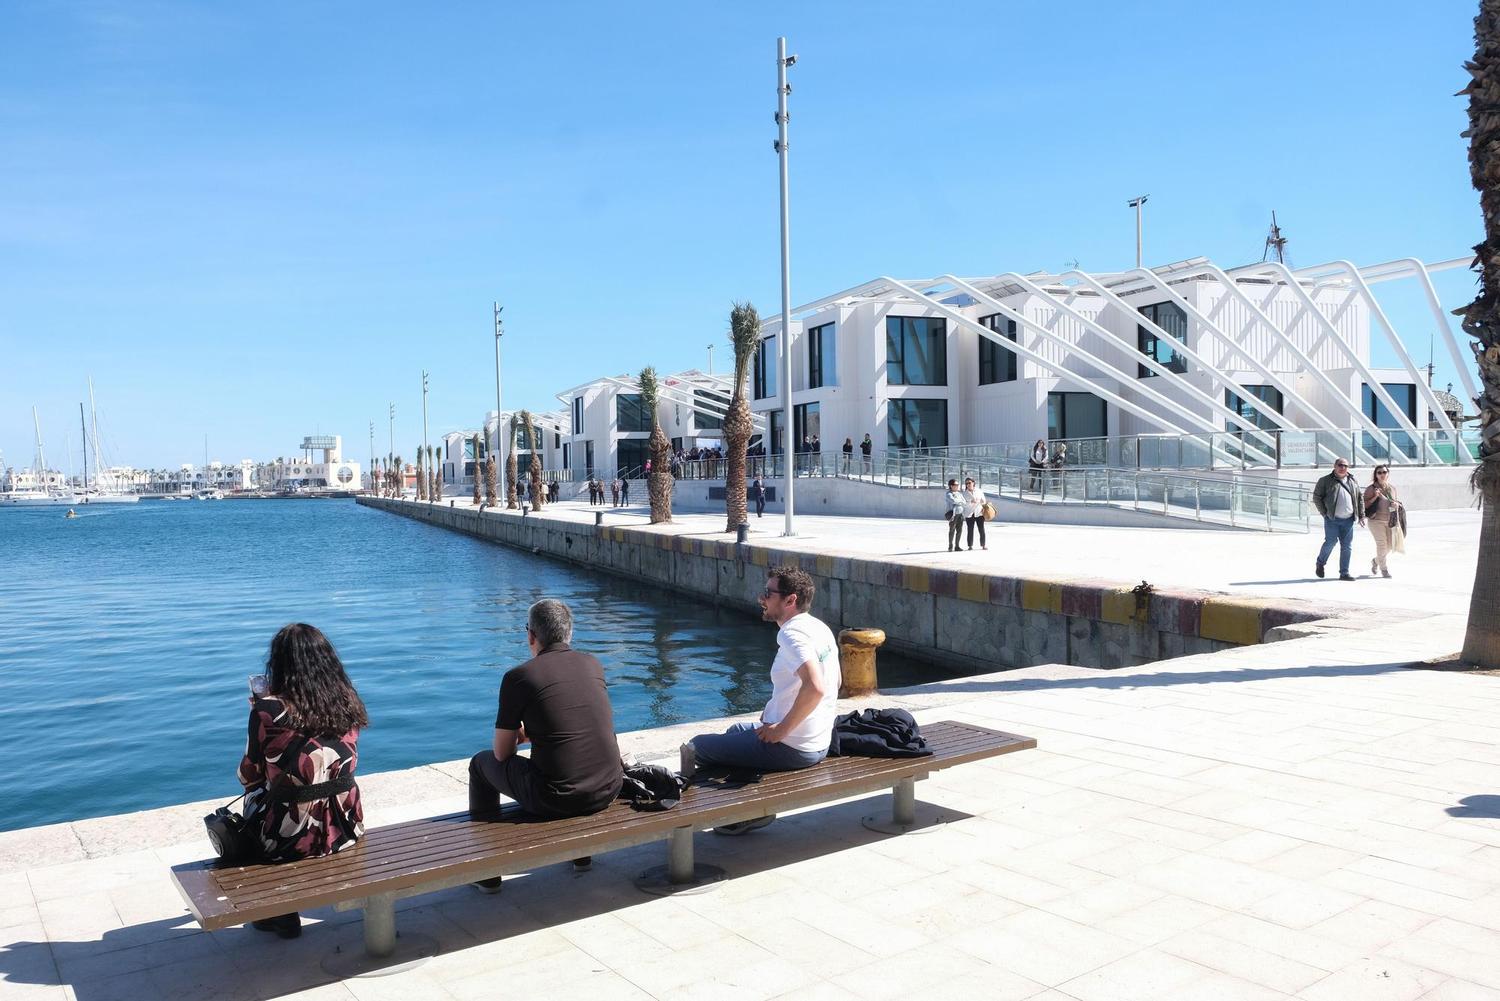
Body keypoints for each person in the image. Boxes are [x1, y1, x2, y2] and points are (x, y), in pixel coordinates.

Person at [469, 599, 624, 889]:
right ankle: (581, 857)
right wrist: (537, 732)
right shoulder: (593, 664)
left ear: (531, 635)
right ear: (569, 633)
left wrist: (520, 735)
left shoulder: (519, 677)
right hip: (608, 788)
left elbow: (502, 753)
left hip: (556, 799)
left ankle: (486, 872)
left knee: (480, 764)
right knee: (577, 762)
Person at [680, 565, 841, 833]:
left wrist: (781, 730)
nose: (761, 598)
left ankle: (747, 812)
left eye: (768, 593)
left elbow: (815, 687)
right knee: (736, 730)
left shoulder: (792, 634)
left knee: (696, 747)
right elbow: (835, 682)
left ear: (790, 600)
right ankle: (746, 807)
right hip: (818, 741)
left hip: (793, 747)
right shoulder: (818, 627)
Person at [237, 623, 368, 939]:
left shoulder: (268, 710)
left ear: (279, 665)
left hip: (290, 837)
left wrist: (261, 712)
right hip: (347, 826)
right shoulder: (348, 701)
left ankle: (279, 913)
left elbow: (248, 775)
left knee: (254, 804)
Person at [1312, 457, 1365, 581]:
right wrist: (1324, 513)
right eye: (1340, 465)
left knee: (1347, 546)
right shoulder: (1325, 480)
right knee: (1330, 542)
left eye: (1345, 466)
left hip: (1348, 520)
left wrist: (1361, 515)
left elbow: (1359, 498)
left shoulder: (1352, 480)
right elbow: (1316, 497)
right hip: (1332, 519)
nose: (1343, 468)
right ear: (1335, 466)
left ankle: (1344, 573)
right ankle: (1320, 563)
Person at [1363, 464, 1403, 579]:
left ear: (1388, 474)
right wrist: (1375, 496)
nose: (1382, 474)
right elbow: (1364, 504)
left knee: (1389, 546)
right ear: (1376, 475)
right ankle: (1384, 569)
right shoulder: (1371, 488)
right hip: (1375, 521)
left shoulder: (1392, 488)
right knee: (1382, 545)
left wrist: (1397, 505)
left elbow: (1395, 502)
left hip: (1390, 521)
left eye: (1384, 472)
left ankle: (1375, 561)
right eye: (1379, 472)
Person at [962, 476, 988, 551]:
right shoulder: (964, 493)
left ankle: (983, 545)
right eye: (966, 483)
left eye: (969, 483)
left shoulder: (979, 491)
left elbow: (984, 500)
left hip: (979, 512)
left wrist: (982, 501)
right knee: (970, 530)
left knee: (981, 529)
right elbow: (963, 504)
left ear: (973, 483)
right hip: (969, 513)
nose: (968, 484)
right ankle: (970, 545)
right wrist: (970, 502)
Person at [945, 478, 966, 552]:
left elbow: (964, 502)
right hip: (953, 515)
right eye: (955, 485)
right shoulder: (949, 494)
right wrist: (960, 502)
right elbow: (953, 501)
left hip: (960, 514)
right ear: (951, 486)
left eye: (957, 485)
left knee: (959, 530)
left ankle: (957, 546)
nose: (957, 486)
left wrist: (958, 501)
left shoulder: (959, 494)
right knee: (952, 530)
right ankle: (950, 546)